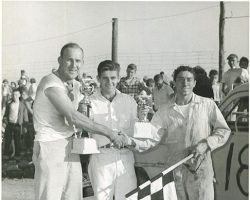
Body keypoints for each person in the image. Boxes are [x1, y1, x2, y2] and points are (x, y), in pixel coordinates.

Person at [122, 65, 231, 200]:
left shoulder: (207, 105)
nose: (185, 83)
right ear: (174, 82)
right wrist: (129, 141)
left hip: (201, 170)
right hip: (175, 171)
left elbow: (223, 130)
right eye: (181, 79)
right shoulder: (164, 111)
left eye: (189, 79)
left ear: (194, 83)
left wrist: (207, 143)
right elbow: (151, 138)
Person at [32, 43, 124, 200]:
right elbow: (73, 117)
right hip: (50, 147)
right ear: (59, 60)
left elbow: (89, 107)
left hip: (71, 146)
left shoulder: (75, 85)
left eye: (78, 61)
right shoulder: (50, 83)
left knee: (73, 197)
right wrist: (110, 133)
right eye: (69, 60)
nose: (74, 65)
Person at [88, 60, 138, 200]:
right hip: (101, 157)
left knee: (129, 198)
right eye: (105, 78)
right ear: (98, 79)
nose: (109, 82)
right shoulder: (89, 102)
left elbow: (136, 129)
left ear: (118, 78)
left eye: (113, 78)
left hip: (125, 157)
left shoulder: (129, 101)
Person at [3, 89, 29, 158]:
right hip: (9, 124)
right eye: (13, 94)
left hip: (17, 125)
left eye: (16, 94)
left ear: (19, 95)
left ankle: (17, 154)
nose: (15, 96)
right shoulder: (9, 104)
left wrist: (25, 127)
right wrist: (5, 120)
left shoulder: (22, 105)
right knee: (7, 139)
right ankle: (5, 154)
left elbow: (25, 117)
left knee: (17, 140)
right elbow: (5, 115)